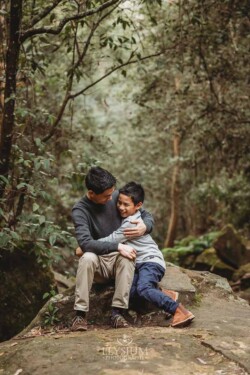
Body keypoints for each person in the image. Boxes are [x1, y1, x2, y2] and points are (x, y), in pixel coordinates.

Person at [97, 181, 195, 328]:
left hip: (150, 261)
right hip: (137, 264)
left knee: (143, 289)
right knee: (130, 293)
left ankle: (178, 310)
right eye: (119, 203)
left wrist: (87, 244)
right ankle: (165, 295)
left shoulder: (131, 223)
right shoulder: (127, 215)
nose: (121, 208)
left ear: (138, 205)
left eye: (126, 205)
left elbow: (111, 240)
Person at [71, 167, 155, 331]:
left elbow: (145, 213)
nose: (112, 199)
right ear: (92, 193)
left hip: (120, 262)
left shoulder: (115, 196)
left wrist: (145, 226)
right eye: (107, 196)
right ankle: (80, 316)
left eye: (112, 194)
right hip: (99, 263)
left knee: (127, 255)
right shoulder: (80, 210)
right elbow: (86, 244)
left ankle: (118, 313)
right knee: (87, 257)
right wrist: (117, 245)